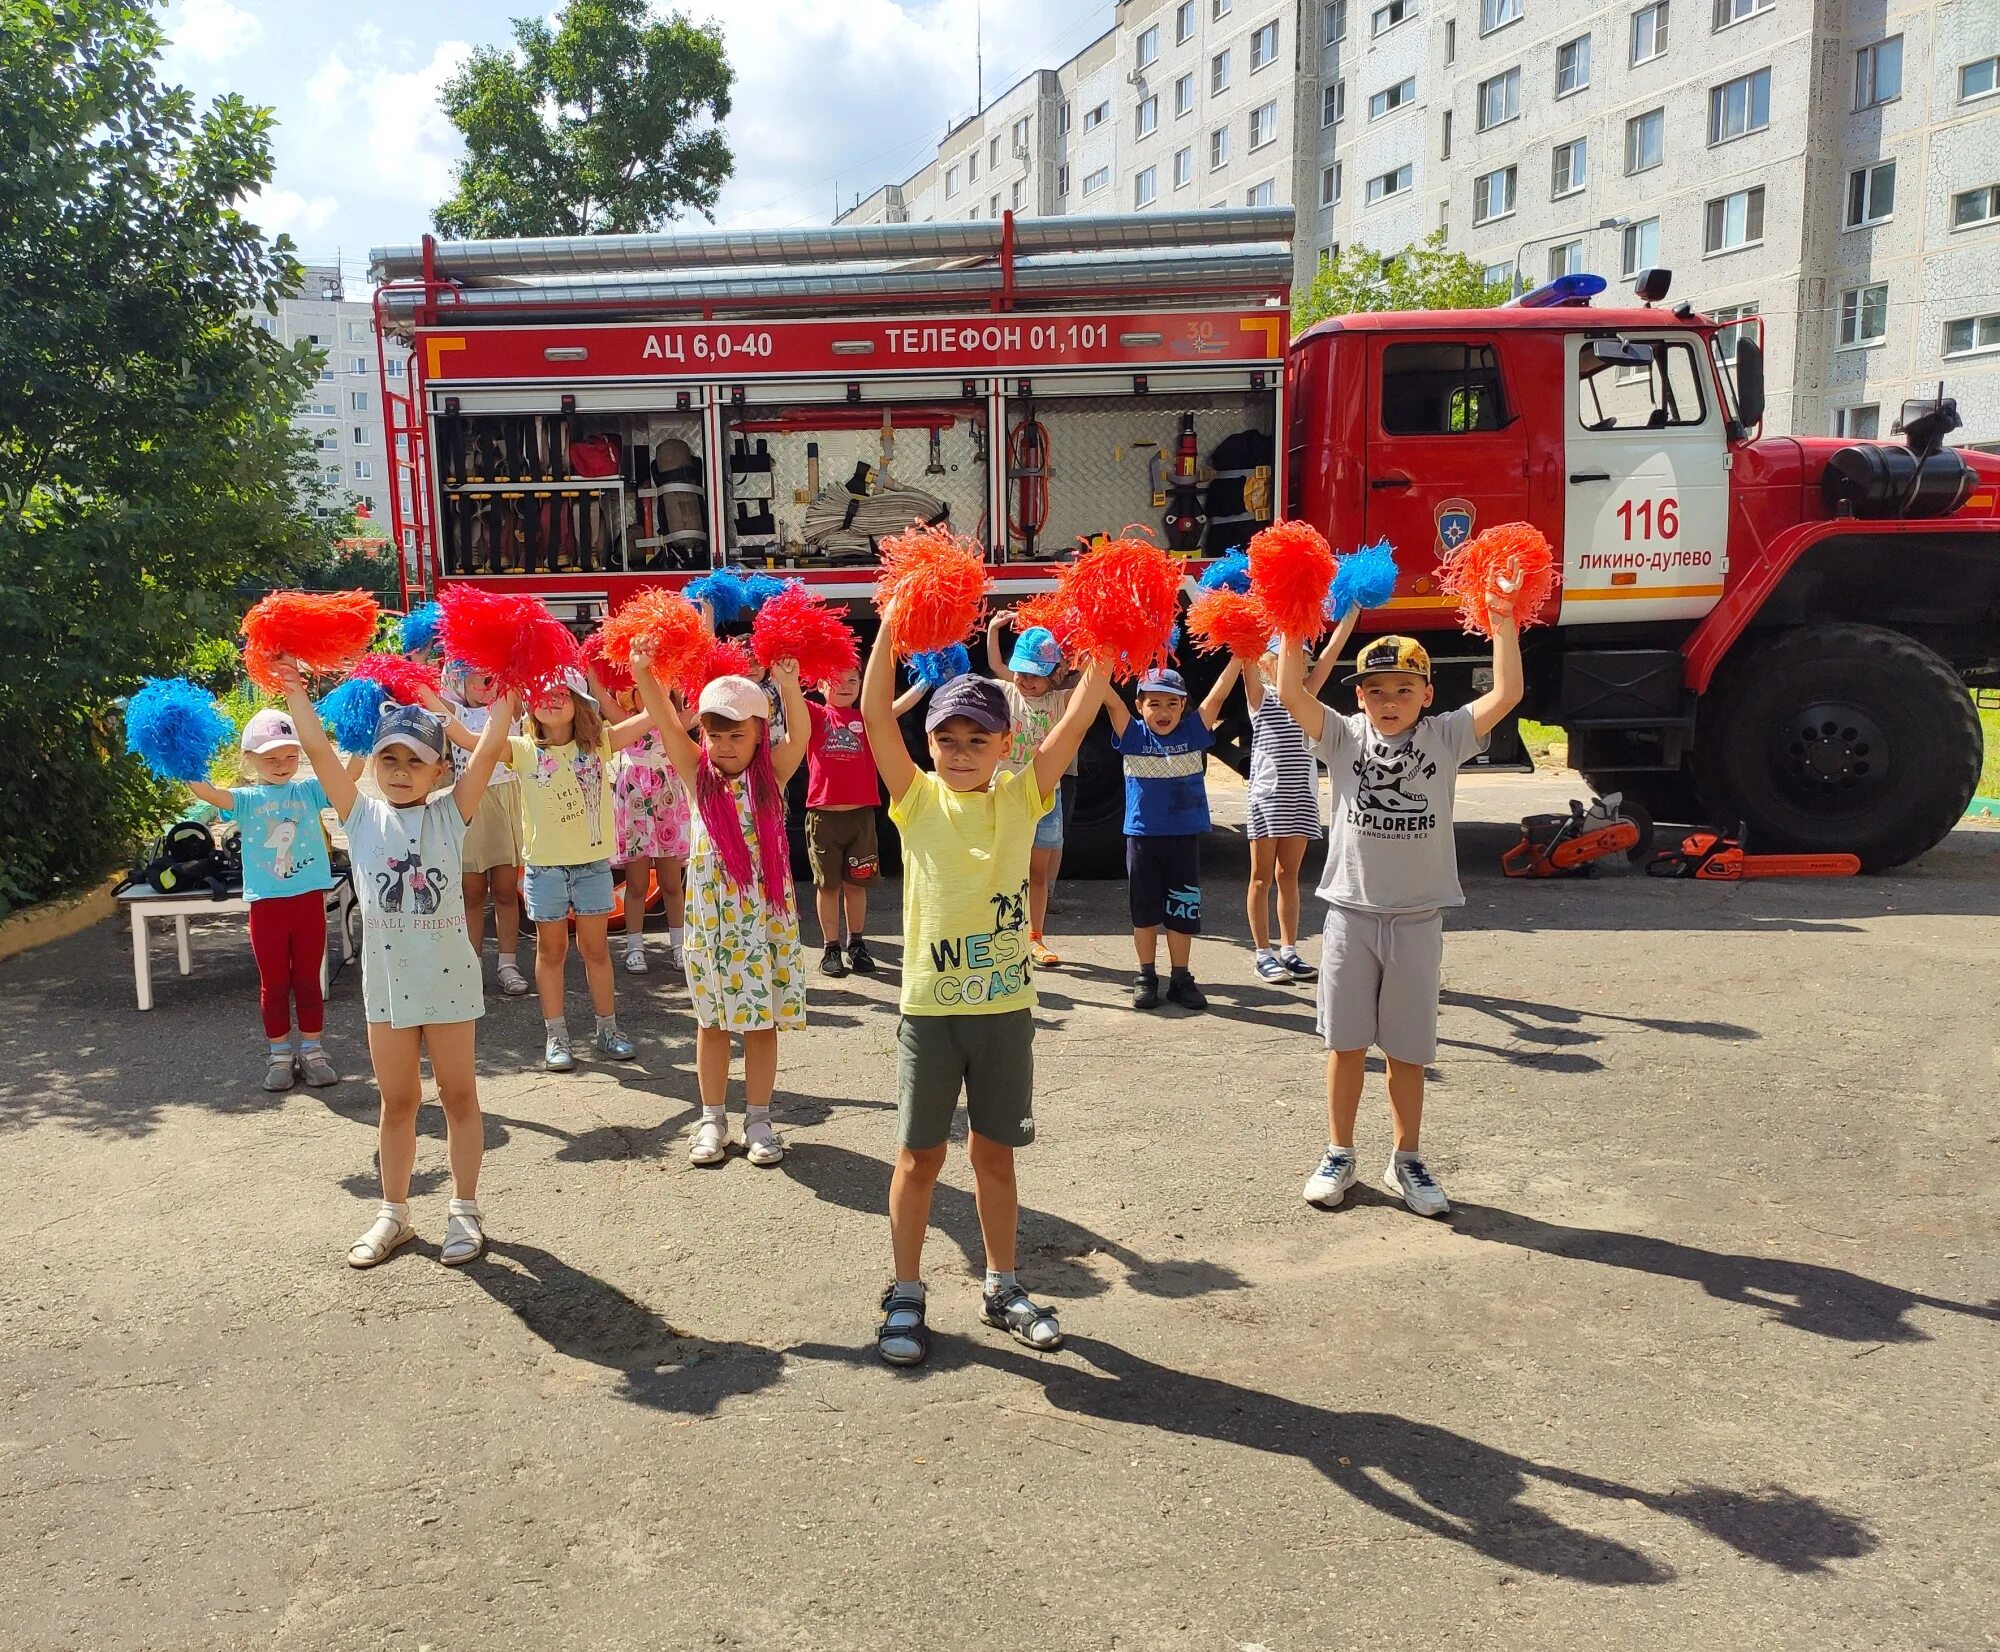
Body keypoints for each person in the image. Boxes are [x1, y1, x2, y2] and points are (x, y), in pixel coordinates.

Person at [862, 601, 1108, 1367]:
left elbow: (1078, 715)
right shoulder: (916, 799)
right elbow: (874, 713)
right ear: (928, 745)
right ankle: (906, 1292)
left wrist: (1107, 638)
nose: (961, 750)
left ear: (1008, 742)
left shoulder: (1020, 797)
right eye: (947, 738)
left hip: (1006, 1016)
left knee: (994, 1158)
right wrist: (893, 626)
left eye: (978, 738)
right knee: (918, 1159)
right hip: (930, 1017)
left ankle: (1002, 1285)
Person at [1275, 610, 1523, 1218]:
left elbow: (1509, 692)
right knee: (1346, 1045)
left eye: (1404, 690)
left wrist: (1505, 620)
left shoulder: (1446, 736)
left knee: (1408, 1053)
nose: (1390, 701)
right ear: (1358, 697)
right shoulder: (1341, 737)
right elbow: (1288, 691)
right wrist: (1289, 619)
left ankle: (1405, 1157)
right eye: (1376, 690)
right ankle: (1339, 1151)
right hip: (1349, 918)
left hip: (1416, 920)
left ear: (1428, 694)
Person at [274, 666, 513, 1269]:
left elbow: (485, 752)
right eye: (389, 759)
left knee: (460, 1097)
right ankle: (395, 1213)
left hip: (450, 984)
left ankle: (464, 1208)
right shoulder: (359, 815)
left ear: (440, 770)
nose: (401, 771)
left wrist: (511, 690)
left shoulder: (450, 814)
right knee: (398, 1102)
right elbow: (318, 751)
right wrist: (298, 695)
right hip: (386, 988)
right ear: (374, 765)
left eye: (415, 761)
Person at [629, 657, 810, 1168]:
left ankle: (758, 1118)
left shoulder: (773, 774)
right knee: (711, 1024)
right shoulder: (697, 776)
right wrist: (645, 673)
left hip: (765, 924)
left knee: (760, 1023)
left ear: (758, 734)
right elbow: (666, 721)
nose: (723, 745)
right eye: (714, 733)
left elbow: (800, 731)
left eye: (735, 733)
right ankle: (712, 1117)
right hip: (712, 925)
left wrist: (790, 685)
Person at [493, 669, 656, 1071]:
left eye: (560, 693)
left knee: (596, 950)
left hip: (591, 866)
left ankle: (608, 1030)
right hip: (544, 868)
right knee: (551, 951)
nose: (549, 698)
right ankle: (557, 1037)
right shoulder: (520, 748)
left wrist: (651, 673)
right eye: (540, 692)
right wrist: (501, 689)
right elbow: (467, 741)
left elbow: (652, 714)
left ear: (579, 702)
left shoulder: (600, 743)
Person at [185, 709, 352, 1092]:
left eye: (290, 755)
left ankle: (312, 1050)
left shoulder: (309, 790)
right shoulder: (244, 799)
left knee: (308, 980)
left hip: (308, 900)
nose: (282, 764)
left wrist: (358, 742)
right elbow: (207, 793)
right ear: (250, 759)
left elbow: (349, 779)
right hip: (267, 906)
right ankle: (279, 1054)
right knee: (274, 983)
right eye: (270, 757)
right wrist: (182, 758)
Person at [1100, 665, 1237, 1012]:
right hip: (1143, 840)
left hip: (1184, 840)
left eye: (1172, 704)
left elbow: (1218, 695)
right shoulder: (1133, 735)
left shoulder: (1193, 732)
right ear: (1139, 706)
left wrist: (1237, 657)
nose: (1163, 712)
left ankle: (1180, 977)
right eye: (1154, 704)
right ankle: (1146, 976)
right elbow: (1110, 700)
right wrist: (1098, 658)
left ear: (1183, 706)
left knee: (1182, 911)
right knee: (1144, 913)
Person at [804, 661, 925, 977]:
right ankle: (831, 947)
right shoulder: (815, 714)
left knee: (857, 885)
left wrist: (928, 678)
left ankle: (856, 943)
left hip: (861, 818)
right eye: (836, 678)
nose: (845, 684)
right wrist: (784, 677)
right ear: (819, 684)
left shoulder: (867, 719)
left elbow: (896, 708)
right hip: (823, 817)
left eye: (852, 679)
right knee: (828, 886)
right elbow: (786, 699)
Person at [1239, 636, 1343, 983]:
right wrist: (1246, 629)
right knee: (1260, 877)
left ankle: (1289, 950)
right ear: (1268, 663)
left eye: (1302, 660)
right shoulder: (1261, 697)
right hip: (1267, 798)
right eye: (1287, 658)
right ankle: (1262, 953)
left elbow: (1328, 659)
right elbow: (1246, 656)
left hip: (1301, 797)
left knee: (1289, 876)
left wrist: (1350, 614)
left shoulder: (1305, 697)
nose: (1298, 664)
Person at [433, 664, 530, 997]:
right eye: (477, 675)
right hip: (469, 804)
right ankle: (470, 965)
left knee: (505, 890)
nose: (486, 682)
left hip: (505, 803)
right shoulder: (455, 710)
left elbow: (514, 682)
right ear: (459, 679)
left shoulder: (508, 708)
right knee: (471, 892)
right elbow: (429, 700)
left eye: (492, 675)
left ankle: (507, 964)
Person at [985, 614, 1073, 968]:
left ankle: (1035, 938)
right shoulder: (1008, 690)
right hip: (1006, 794)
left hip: (1046, 797)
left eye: (1035, 674)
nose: (1025, 680)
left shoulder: (1059, 701)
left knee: (1038, 872)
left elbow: (1092, 686)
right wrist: (993, 631)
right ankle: (996, 936)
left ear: (1054, 674)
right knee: (1002, 869)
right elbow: (995, 664)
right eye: (1021, 671)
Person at [604, 675, 691, 977]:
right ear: (632, 695)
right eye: (645, 690)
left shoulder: (676, 722)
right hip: (635, 807)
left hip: (668, 804)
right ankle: (634, 948)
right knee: (637, 884)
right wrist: (591, 669)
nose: (653, 695)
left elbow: (704, 699)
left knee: (671, 883)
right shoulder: (625, 722)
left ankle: (680, 947)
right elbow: (601, 698)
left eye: (661, 689)